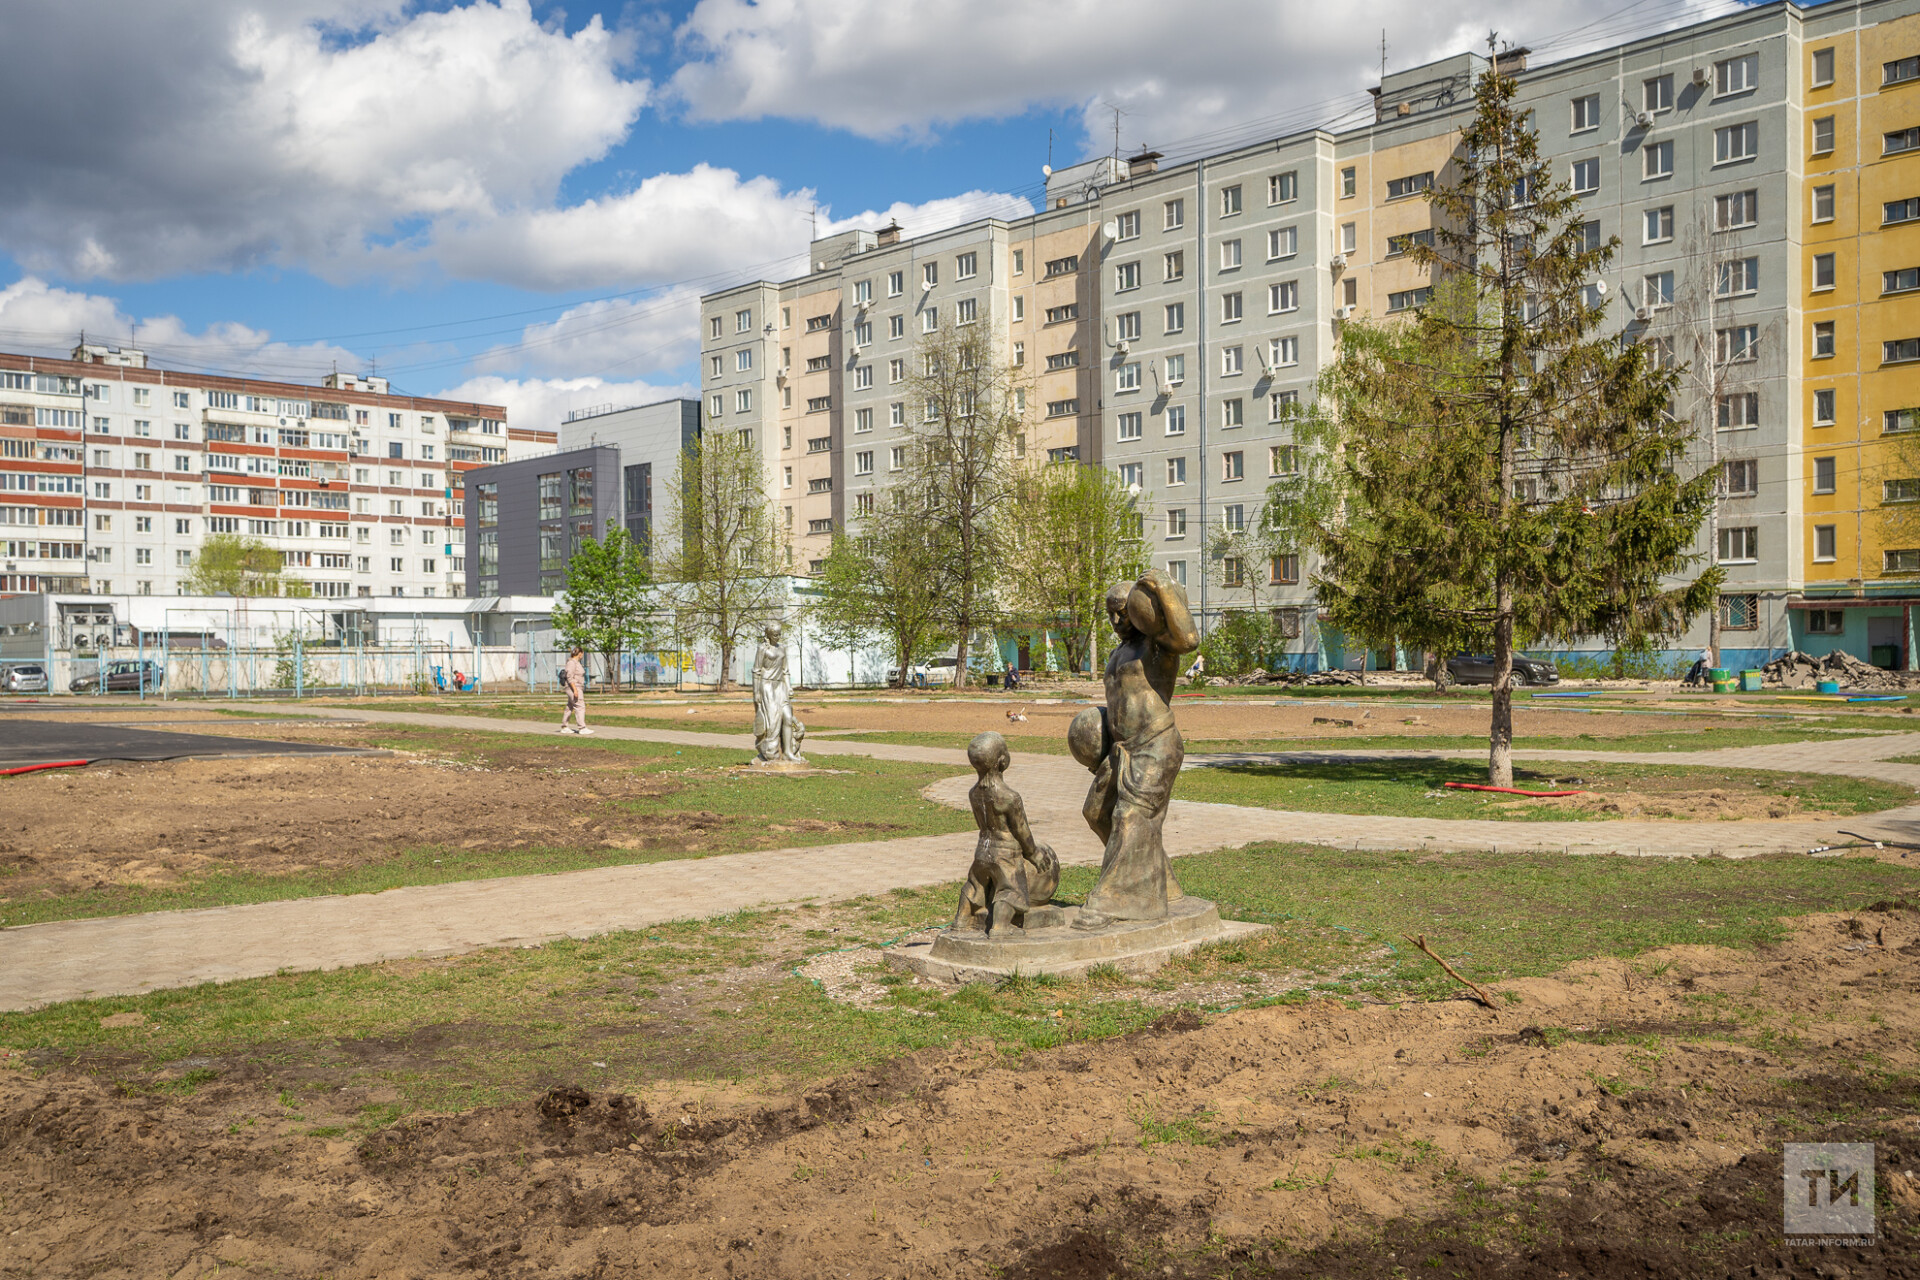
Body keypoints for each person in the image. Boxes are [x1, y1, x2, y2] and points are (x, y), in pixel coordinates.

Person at [1069, 570, 1200, 930]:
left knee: (1130, 818)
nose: (1115, 621)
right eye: (1109, 614)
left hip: (1156, 744)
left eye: (1122, 613)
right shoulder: (1119, 651)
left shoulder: (1156, 645)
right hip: (1122, 750)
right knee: (1097, 812)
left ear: (1139, 611)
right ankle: (1161, 883)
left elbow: (1189, 639)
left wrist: (1161, 589)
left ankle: (1120, 899)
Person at [950, 732, 1058, 935]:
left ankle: (962, 919)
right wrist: (1033, 853)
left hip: (982, 851)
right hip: (1005, 854)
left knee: (974, 885)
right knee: (1010, 890)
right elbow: (1021, 829)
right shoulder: (1010, 797)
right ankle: (1001, 927)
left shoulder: (973, 794)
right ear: (1003, 761)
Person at [560, 646, 592, 734]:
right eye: (582, 654)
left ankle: (564, 726)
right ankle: (582, 727)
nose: (582, 655)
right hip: (574, 686)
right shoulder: (572, 663)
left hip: (576, 686)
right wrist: (575, 690)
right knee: (580, 705)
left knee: (570, 706)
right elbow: (569, 677)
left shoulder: (576, 662)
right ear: (580, 653)